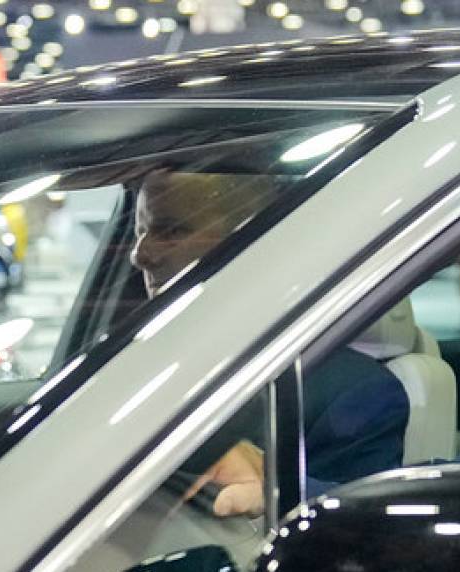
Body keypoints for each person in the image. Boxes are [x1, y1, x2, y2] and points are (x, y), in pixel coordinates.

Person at [131, 169, 409, 516]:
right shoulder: (127, 369)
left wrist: (273, 484)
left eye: (171, 231)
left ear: (252, 245)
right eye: (140, 232)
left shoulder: (353, 393)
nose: (139, 255)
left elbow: (361, 532)